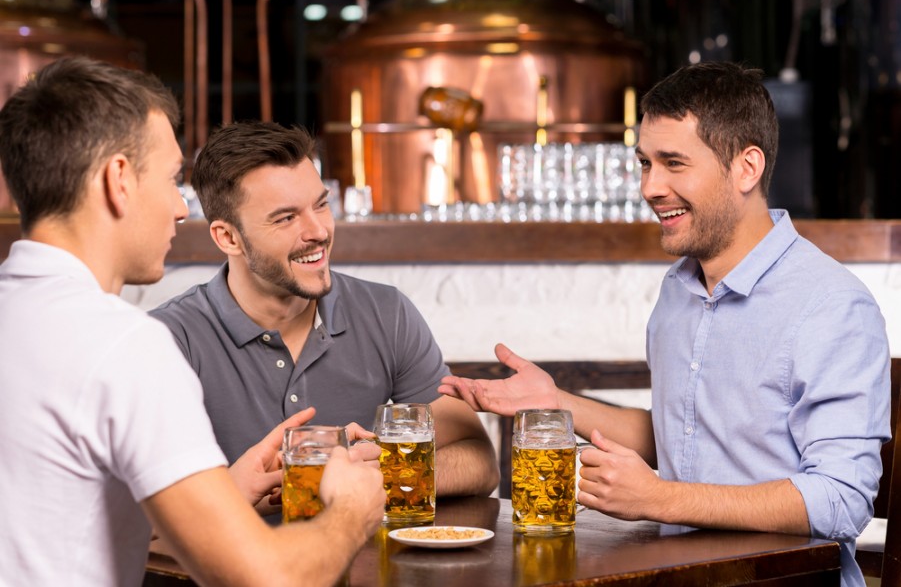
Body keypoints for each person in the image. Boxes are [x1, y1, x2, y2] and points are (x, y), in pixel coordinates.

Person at [439, 62, 890, 587]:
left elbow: (841, 501)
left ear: (746, 168)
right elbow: (687, 436)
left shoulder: (831, 306)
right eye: (645, 163)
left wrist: (658, 498)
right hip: (680, 572)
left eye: (674, 163)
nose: (651, 187)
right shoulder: (679, 289)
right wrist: (556, 403)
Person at [0, 56, 385, 586]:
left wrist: (224, 492)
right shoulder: (126, 345)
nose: (181, 210)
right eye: (171, 178)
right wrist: (350, 509)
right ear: (118, 180)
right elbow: (268, 579)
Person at [148, 120, 499, 504]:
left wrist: (386, 473)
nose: (318, 231)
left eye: (320, 205)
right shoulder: (167, 340)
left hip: (368, 561)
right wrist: (244, 493)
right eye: (286, 217)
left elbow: (478, 459)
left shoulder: (386, 312)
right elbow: (139, 513)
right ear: (228, 238)